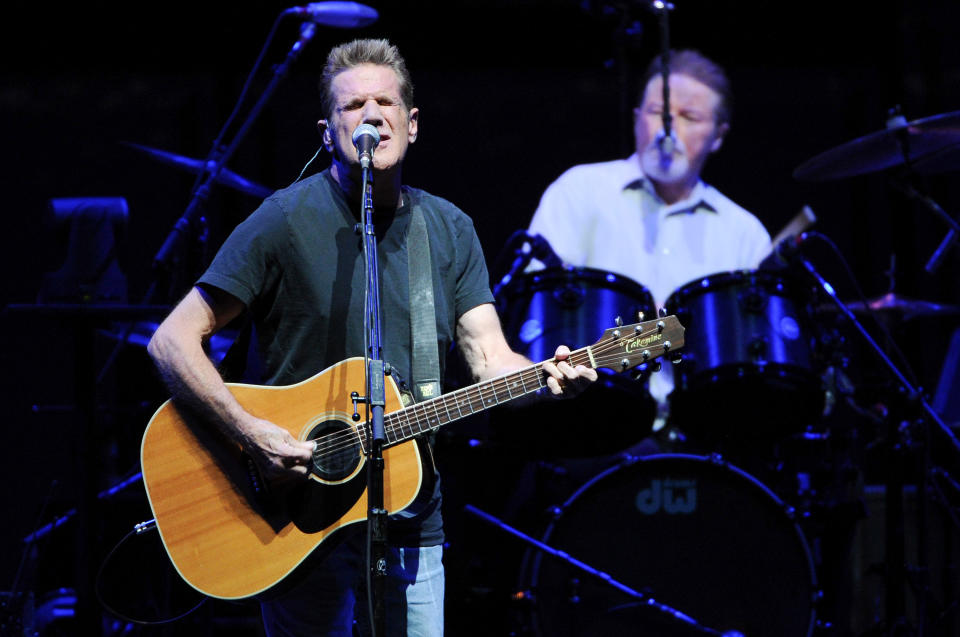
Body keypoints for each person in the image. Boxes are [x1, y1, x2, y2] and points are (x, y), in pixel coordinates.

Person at [147, 38, 596, 637]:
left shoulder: (448, 228)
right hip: (296, 513)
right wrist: (251, 434)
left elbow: (490, 359)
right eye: (352, 105)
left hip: (412, 518)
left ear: (410, 125)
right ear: (328, 130)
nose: (371, 115)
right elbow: (172, 340)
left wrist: (544, 380)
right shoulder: (282, 220)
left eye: (385, 102)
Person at [527, 49, 771, 424]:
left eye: (689, 117)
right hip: (589, 422)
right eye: (659, 113)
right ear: (637, 118)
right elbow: (534, 321)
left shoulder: (744, 232)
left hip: (709, 429)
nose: (668, 131)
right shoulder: (578, 191)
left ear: (719, 136)